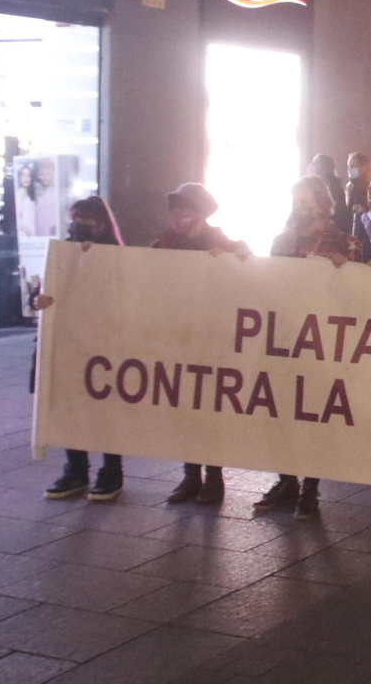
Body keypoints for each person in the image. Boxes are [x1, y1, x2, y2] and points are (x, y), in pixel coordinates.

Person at [258, 177, 361, 521]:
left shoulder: (343, 242)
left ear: (322, 204)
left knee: (314, 414)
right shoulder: (282, 240)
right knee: (282, 411)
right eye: (295, 201)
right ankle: (286, 480)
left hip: (321, 341)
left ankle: (310, 490)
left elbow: (357, 289)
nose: (299, 208)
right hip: (286, 336)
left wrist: (349, 268)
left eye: (305, 201)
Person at [152, 183, 251, 505]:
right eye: (176, 209)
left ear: (202, 213)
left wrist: (234, 256)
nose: (180, 215)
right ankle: (190, 475)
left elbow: (246, 261)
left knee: (209, 407)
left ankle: (214, 477)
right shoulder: (165, 243)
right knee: (184, 408)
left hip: (213, 338)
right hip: (179, 336)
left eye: (187, 208)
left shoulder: (219, 241)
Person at [39, 197, 126, 501]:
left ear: (103, 225)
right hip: (69, 342)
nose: (82, 227)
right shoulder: (60, 255)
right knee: (68, 405)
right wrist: (39, 301)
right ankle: (75, 470)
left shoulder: (118, 258)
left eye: (89, 221)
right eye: (77, 220)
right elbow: (42, 293)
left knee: (105, 407)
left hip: (105, 343)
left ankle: (111, 471)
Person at [308, 154, 351, 232]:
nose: (312, 166)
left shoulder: (328, 185)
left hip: (331, 225)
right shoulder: (331, 182)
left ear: (323, 167)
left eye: (315, 164)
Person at [343, 152, 371, 239]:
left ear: (364, 167)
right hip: (352, 229)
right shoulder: (349, 186)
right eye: (348, 166)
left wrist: (365, 209)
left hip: (368, 230)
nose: (349, 169)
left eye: (353, 166)